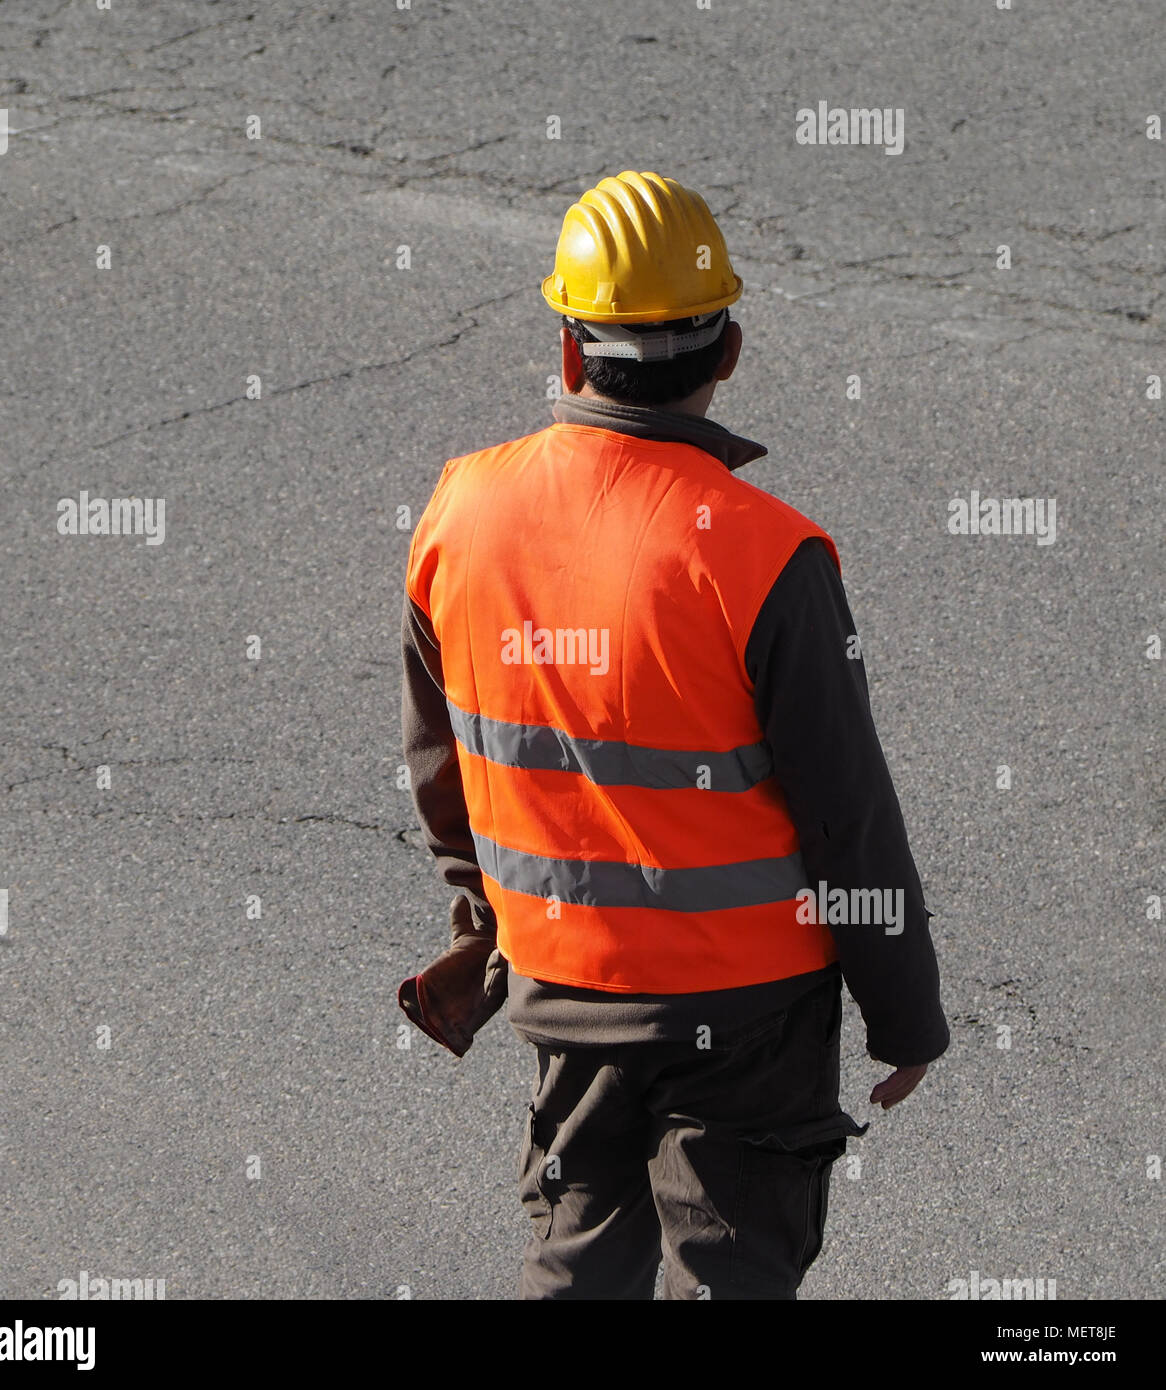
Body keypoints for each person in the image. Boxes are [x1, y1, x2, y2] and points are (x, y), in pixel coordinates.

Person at [398, 170, 949, 1300]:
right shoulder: (764, 553)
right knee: (733, 1268)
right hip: (749, 1016)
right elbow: (847, 816)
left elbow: (442, 765)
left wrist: (487, 924)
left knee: (576, 1256)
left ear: (567, 349)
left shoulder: (461, 512)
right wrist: (906, 1014)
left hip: (561, 980)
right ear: (729, 349)